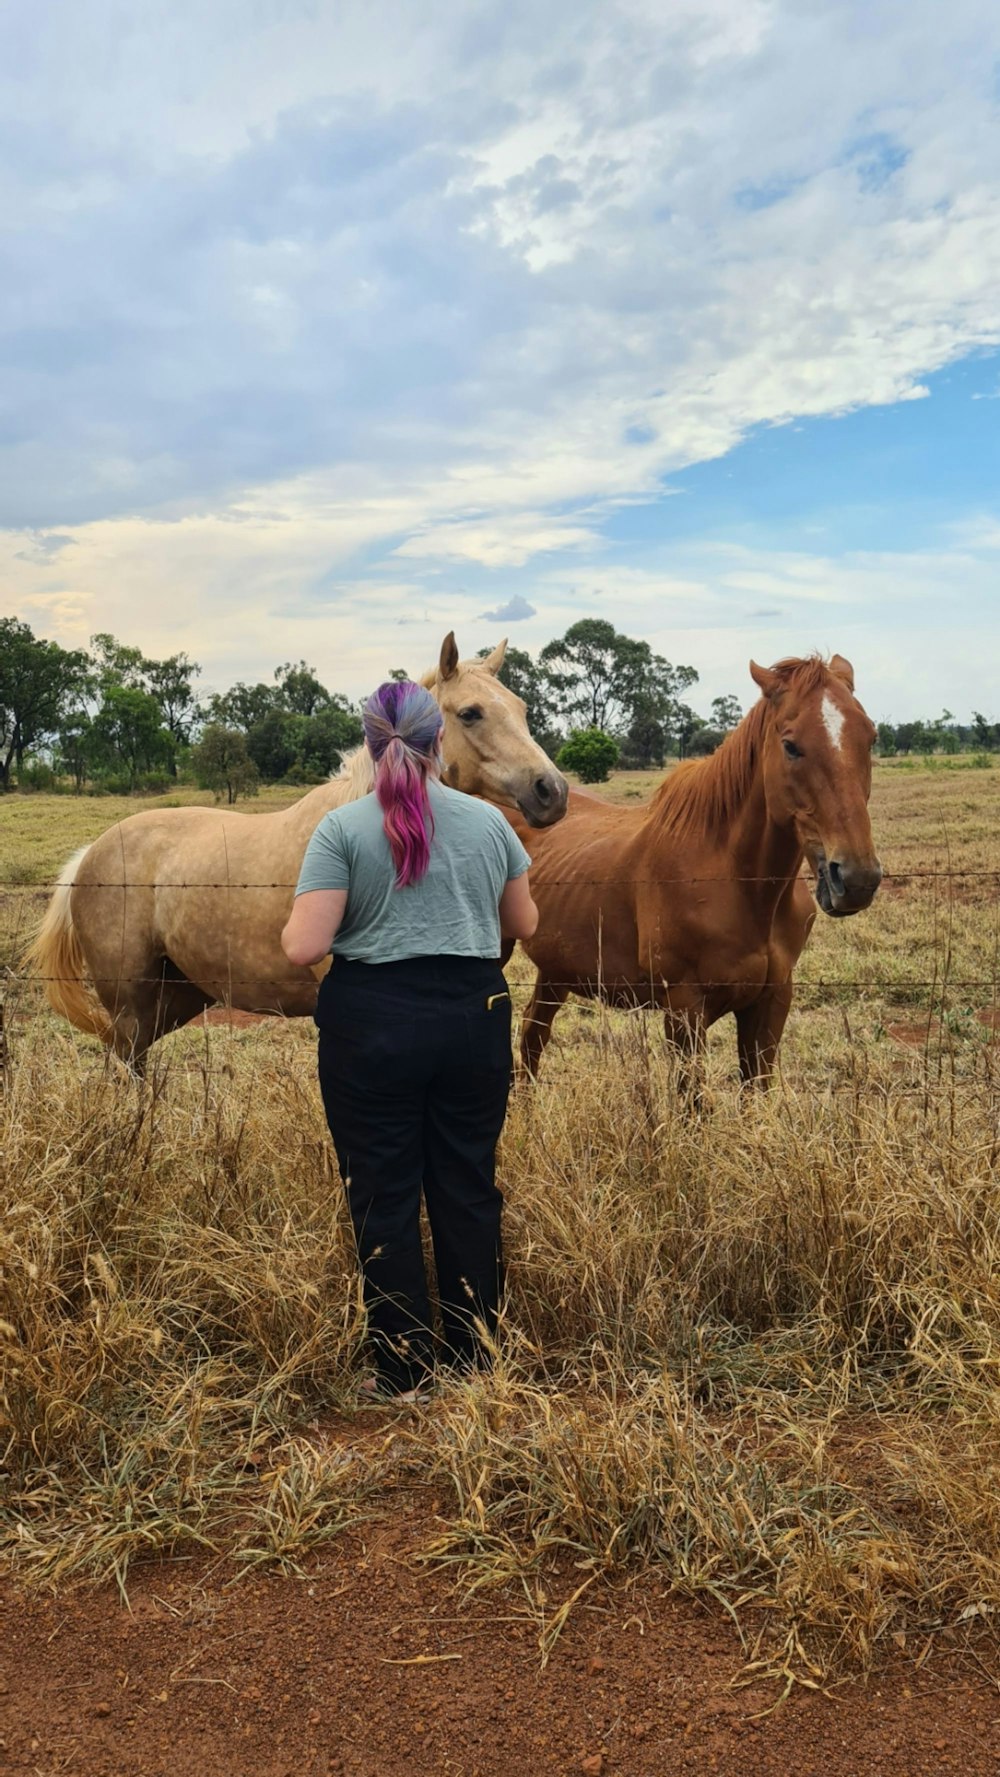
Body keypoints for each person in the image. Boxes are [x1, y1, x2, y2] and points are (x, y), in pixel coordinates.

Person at [281, 679, 538, 1402]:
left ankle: (400, 1371)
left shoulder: (341, 829)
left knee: (383, 1190)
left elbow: (304, 947)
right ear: (438, 741)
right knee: (466, 1183)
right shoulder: (490, 825)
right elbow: (526, 924)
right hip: (471, 1015)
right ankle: (475, 1359)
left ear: (370, 744)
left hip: (372, 1026)